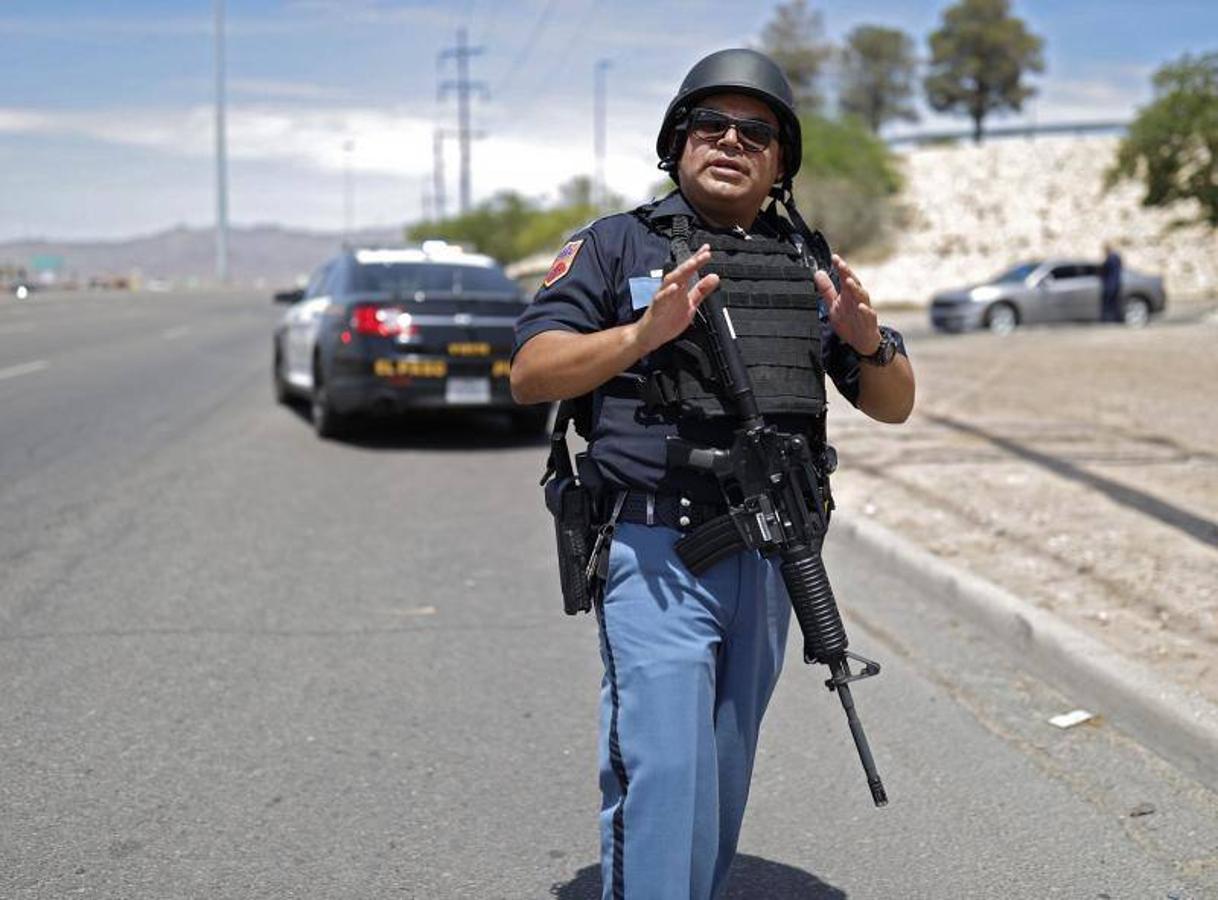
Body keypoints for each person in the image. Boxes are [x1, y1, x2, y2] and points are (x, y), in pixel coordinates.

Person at [511, 48, 915, 900]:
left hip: (769, 558)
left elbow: (892, 402)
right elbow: (532, 372)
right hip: (654, 553)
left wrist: (868, 339)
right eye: (712, 123)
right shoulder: (615, 245)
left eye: (757, 131)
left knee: (722, 779)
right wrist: (640, 337)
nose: (732, 140)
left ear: (780, 161)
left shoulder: (806, 260)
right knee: (665, 774)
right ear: (677, 139)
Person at [1100, 242, 1123, 322]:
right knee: (1115, 303)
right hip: (1116, 283)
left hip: (1110, 285)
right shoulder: (1116, 257)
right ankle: (1117, 318)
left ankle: (1108, 319)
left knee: (1109, 303)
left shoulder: (1110, 258)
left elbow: (1104, 270)